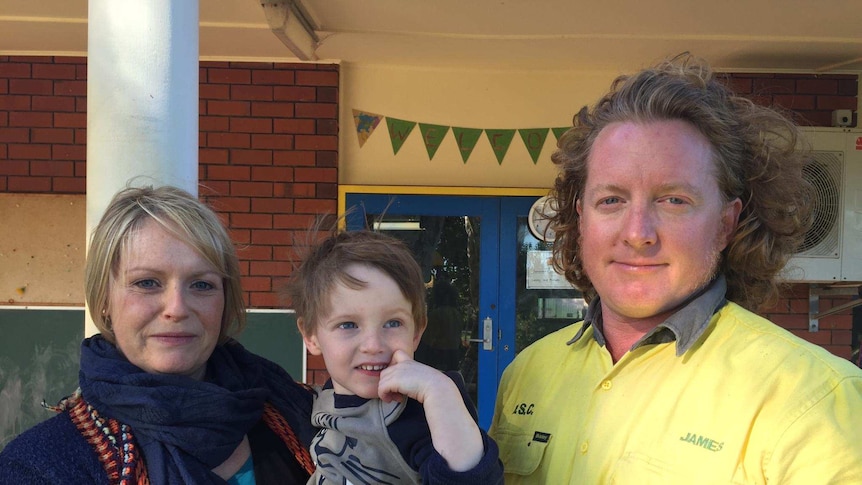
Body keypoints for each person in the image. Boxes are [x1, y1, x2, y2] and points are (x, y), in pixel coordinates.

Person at [489, 54, 862, 483]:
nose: (637, 233)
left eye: (673, 200)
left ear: (726, 223)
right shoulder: (527, 373)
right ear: (581, 218)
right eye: (611, 200)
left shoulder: (815, 399)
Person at [0, 185, 317, 484]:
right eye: (147, 282)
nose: (177, 308)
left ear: (225, 300)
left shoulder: (309, 415)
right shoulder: (40, 467)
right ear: (104, 300)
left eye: (201, 284)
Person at [282, 229, 503, 484]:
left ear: (416, 332)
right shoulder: (321, 398)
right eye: (348, 325)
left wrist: (440, 392)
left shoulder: (417, 412)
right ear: (311, 336)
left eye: (393, 323)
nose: (373, 345)